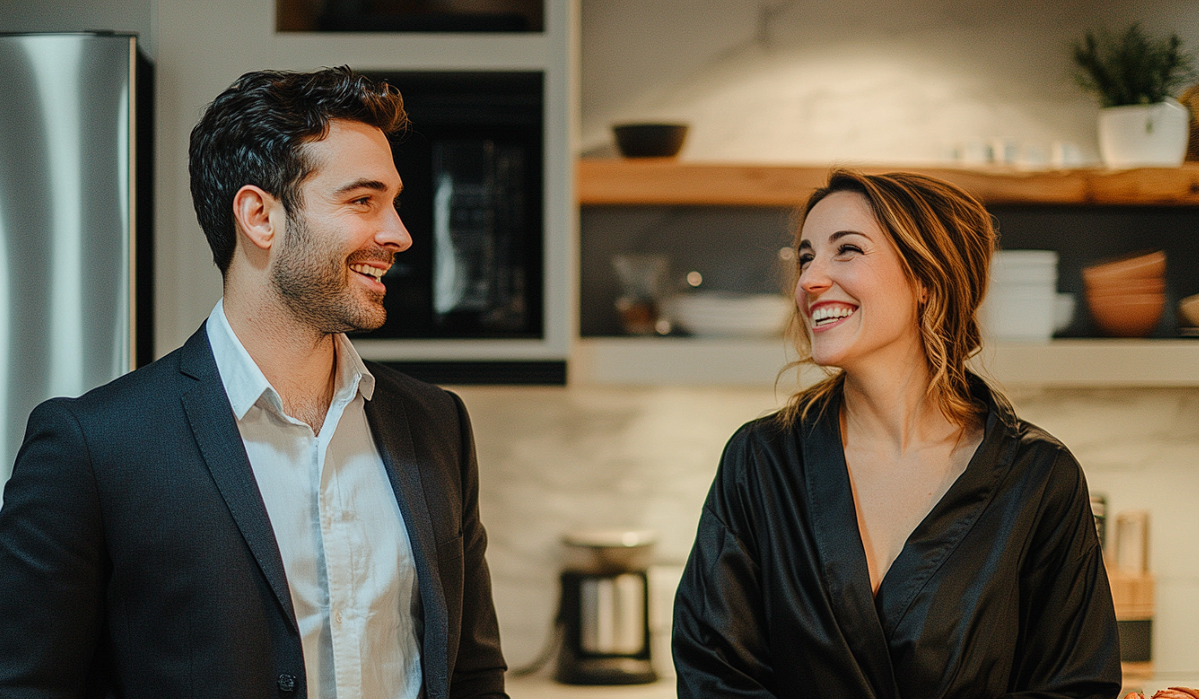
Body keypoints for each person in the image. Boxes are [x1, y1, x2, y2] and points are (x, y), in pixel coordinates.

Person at [0, 67, 508, 699]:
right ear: (259, 216)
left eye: (394, 203)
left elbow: (473, 676)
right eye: (362, 200)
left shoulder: (437, 425)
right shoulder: (93, 447)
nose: (398, 233)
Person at [672, 169, 1121, 698]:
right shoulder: (759, 462)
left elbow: (1074, 687)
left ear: (928, 278)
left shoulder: (1038, 477)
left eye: (847, 251)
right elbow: (714, 677)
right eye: (807, 257)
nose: (810, 281)